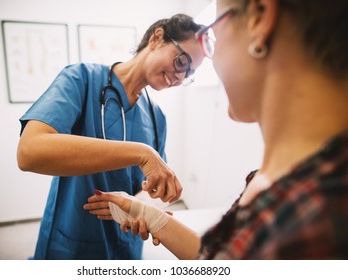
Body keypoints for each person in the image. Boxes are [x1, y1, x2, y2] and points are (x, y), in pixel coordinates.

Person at [85, 0, 348, 259]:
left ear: (259, 16)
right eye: (183, 61)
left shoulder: (309, 218)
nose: (180, 77)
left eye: (215, 36)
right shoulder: (287, 187)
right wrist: (148, 215)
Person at [17, 14, 205, 259]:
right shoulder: (81, 79)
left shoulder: (156, 116)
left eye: (188, 74)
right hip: (73, 240)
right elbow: (29, 152)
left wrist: (145, 208)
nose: (180, 77)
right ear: (157, 38)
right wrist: (141, 153)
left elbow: (151, 189)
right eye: (182, 62)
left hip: (126, 244)